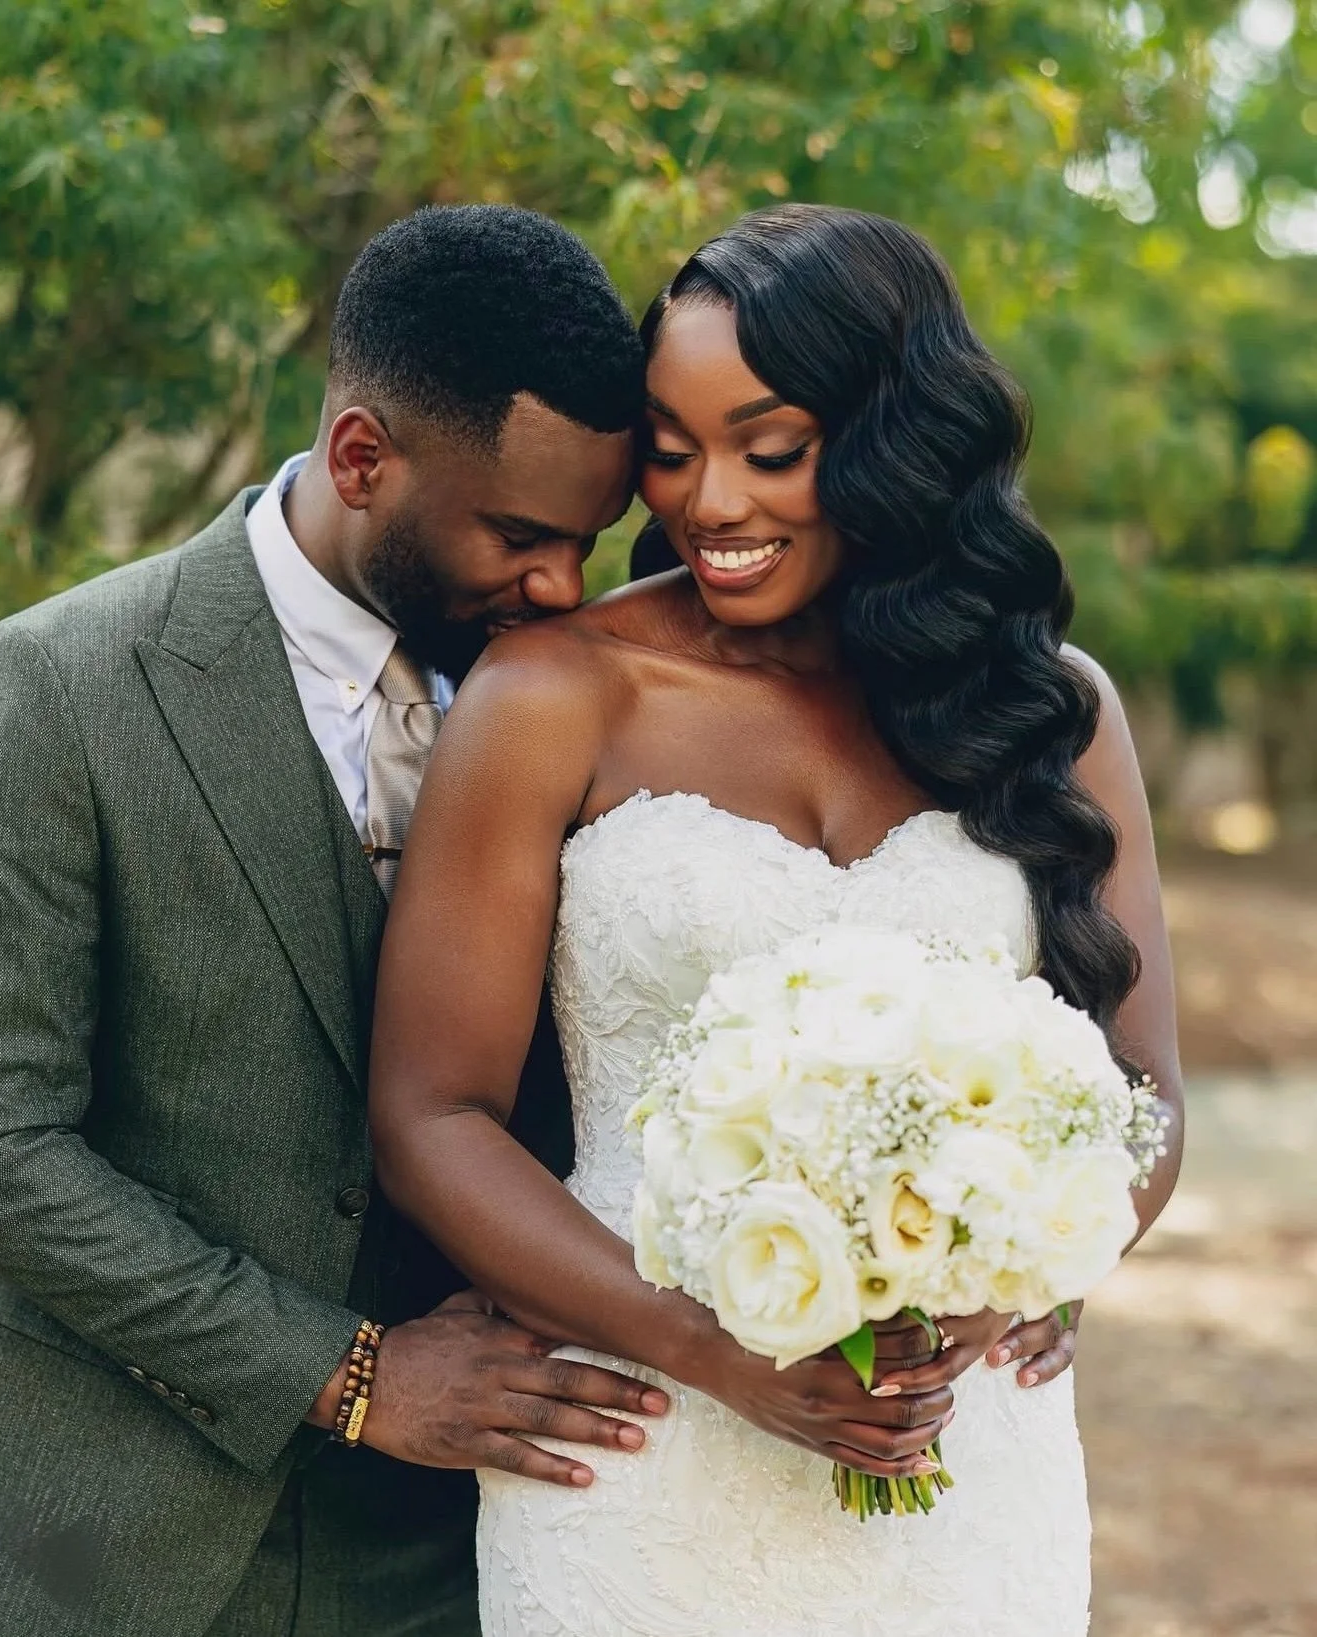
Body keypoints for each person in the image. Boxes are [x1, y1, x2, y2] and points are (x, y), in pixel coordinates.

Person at [368, 203, 1185, 1636]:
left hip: (960, 1455)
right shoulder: (555, 697)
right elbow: (434, 1117)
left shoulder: (1053, 711)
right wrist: (719, 1353)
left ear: (889, 440)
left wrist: (1026, 1267)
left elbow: (1145, 1104)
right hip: (642, 1453)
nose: (711, 502)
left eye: (771, 447)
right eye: (672, 450)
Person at [0, 203, 666, 1637]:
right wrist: (345, 1372)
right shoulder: (52, 692)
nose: (562, 588)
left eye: (590, 544)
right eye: (521, 536)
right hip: (110, 1550)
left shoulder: (598, 709)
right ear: (363, 457)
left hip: (478, 1550)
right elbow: (7, 1147)